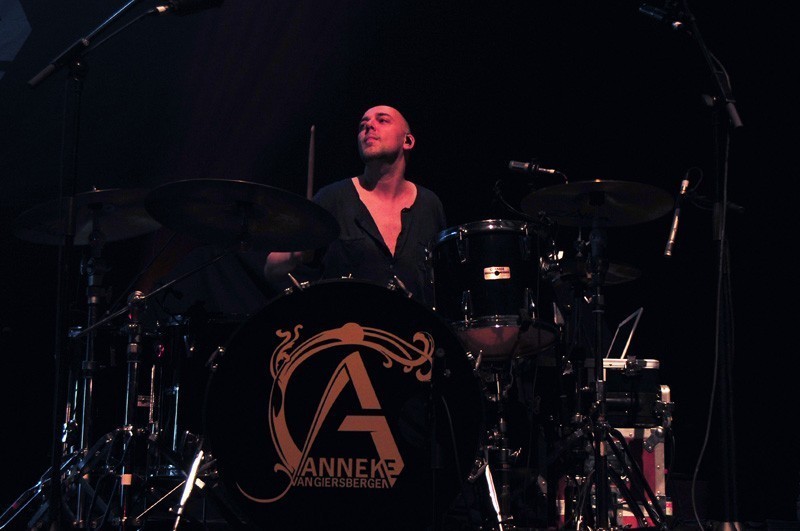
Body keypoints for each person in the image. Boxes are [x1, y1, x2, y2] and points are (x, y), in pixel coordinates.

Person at [264, 104, 446, 307]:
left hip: (412, 326)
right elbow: (271, 269)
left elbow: (442, 279)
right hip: (349, 324)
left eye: (382, 120)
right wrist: (296, 253)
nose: (369, 126)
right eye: (362, 125)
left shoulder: (430, 205)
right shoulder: (333, 198)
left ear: (408, 141)